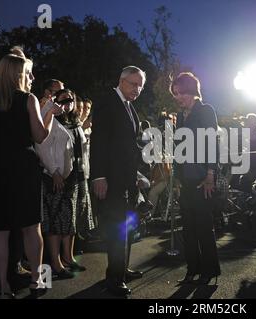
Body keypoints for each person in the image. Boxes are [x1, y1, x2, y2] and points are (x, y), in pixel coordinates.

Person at [0, 54, 59, 298]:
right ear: (18, 74)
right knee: (30, 227)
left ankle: (2, 286)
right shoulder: (28, 99)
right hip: (22, 169)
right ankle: (37, 280)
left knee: (0, 231)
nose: (30, 77)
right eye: (26, 72)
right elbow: (39, 136)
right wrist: (50, 114)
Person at [90, 66, 145, 296]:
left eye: (140, 85)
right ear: (121, 81)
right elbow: (99, 141)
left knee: (128, 227)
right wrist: (99, 176)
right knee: (116, 230)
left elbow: (131, 145)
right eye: (133, 84)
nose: (137, 89)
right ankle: (114, 280)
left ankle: (121, 268)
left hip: (128, 179)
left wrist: (139, 175)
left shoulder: (129, 107)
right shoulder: (107, 102)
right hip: (111, 179)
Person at [36, 89, 94, 278]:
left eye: (71, 99)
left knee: (70, 220)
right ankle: (56, 263)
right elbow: (42, 146)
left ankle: (68, 257)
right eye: (63, 100)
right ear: (56, 102)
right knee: (55, 221)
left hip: (76, 176)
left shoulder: (76, 121)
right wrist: (54, 172)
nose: (68, 103)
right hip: (56, 177)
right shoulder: (50, 119)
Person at [171, 72, 221, 285]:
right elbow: (178, 148)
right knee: (188, 229)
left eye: (180, 92)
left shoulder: (206, 110)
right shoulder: (181, 116)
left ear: (191, 90)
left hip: (203, 177)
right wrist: (177, 178)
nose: (178, 97)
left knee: (203, 227)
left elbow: (212, 143)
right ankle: (192, 269)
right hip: (186, 179)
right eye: (175, 93)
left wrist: (210, 175)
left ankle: (209, 271)